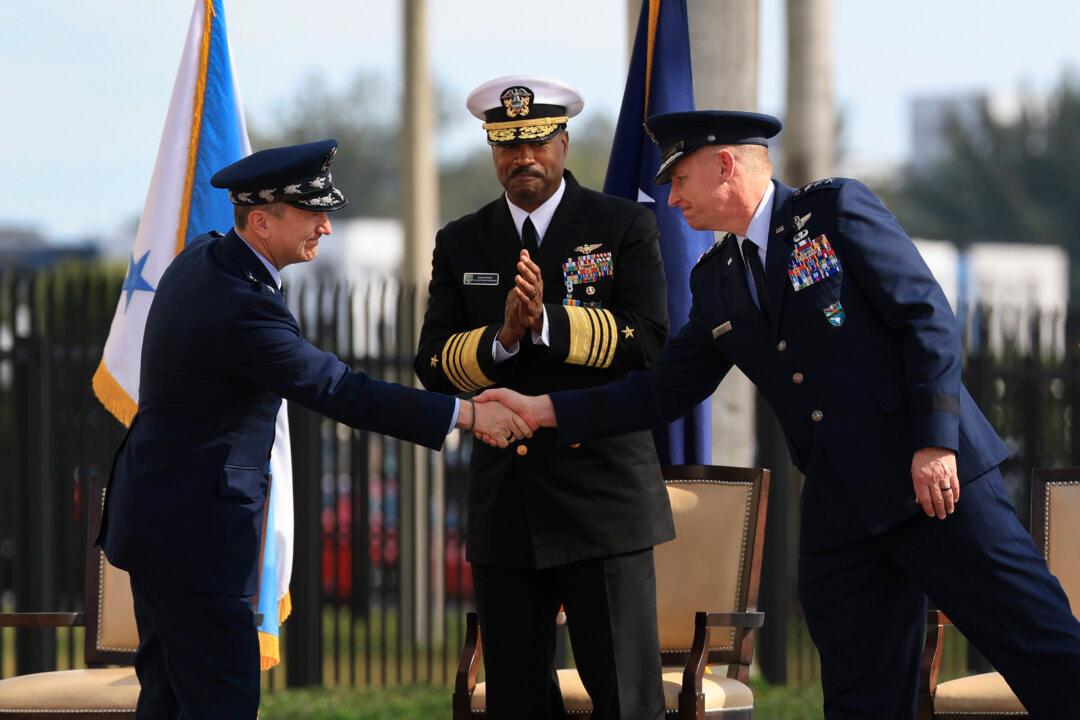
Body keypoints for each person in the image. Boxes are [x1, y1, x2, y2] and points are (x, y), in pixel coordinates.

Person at [479, 111, 1080, 719]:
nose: (672, 196)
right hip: (843, 512)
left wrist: (935, 442)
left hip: (934, 485)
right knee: (859, 694)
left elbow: (927, 319)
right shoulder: (716, 280)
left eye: (680, 177)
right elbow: (660, 392)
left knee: (1043, 647)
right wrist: (544, 410)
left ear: (723, 165)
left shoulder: (835, 212)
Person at [96, 140, 531, 720]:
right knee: (219, 702)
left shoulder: (203, 258)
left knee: (171, 702)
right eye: (312, 213)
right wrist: (469, 413)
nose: (327, 226)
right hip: (196, 542)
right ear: (260, 220)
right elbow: (341, 389)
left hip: (158, 527)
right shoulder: (239, 304)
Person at [414, 76, 672, 720]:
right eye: (506, 145)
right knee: (518, 699)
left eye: (535, 142)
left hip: (602, 500)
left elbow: (650, 343)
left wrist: (549, 324)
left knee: (625, 696)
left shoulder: (622, 225)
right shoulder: (462, 240)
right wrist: (500, 339)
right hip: (508, 505)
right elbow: (431, 363)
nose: (521, 158)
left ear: (562, 142)